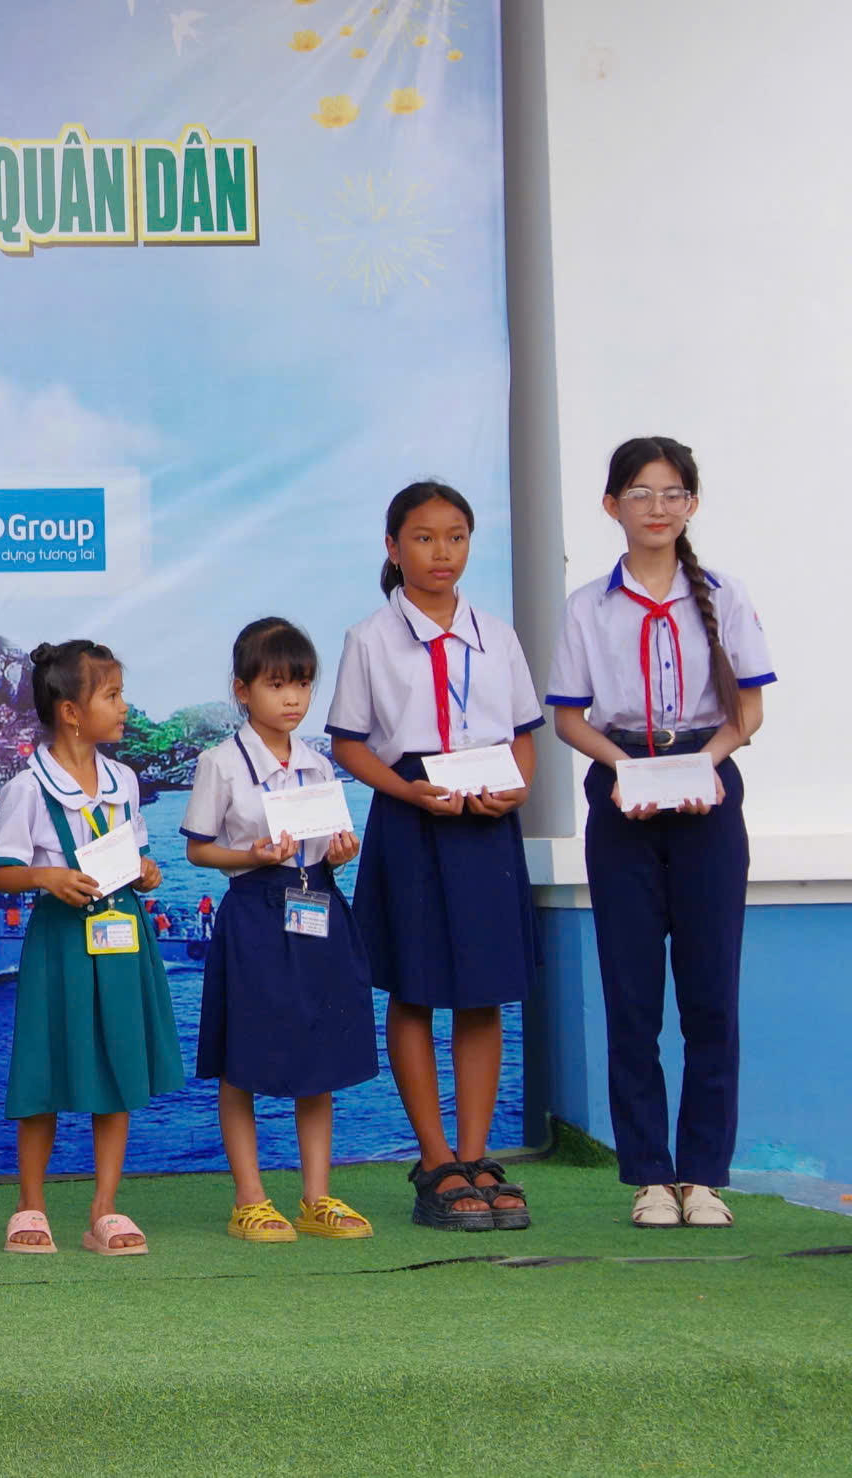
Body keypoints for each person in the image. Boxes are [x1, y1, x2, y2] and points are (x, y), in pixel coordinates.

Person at [546, 438, 773, 1230]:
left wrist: (703, 766)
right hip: (622, 798)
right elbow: (568, 718)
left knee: (711, 998)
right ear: (612, 505)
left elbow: (749, 712)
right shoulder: (587, 606)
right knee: (632, 997)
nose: (657, 507)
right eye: (640, 493)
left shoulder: (725, 595)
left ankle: (703, 1176)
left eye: (673, 492)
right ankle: (648, 1175)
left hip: (709, 791)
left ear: (692, 504)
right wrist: (624, 771)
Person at [327, 482, 542, 1233]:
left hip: (485, 816)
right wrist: (408, 792)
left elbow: (523, 734)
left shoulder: (498, 636)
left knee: (484, 992)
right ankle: (436, 1160)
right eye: (423, 538)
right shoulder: (369, 639)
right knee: (414, 987)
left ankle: (479, 1158)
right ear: (394, 548)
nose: (441, 552)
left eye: (455, 537)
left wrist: (516, 790)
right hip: (413, 811)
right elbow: (349, 743)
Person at [0, 641, 184, 1258]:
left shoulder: (125, 782)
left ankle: (105, 1207)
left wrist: (147, 873)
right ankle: (30, 1204)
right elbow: (0, 871)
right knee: (44, 1066)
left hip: (122, 934)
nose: (124, 707)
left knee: (119, 1061)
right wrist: (45, 877)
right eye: (112, 696)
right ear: (71, 712)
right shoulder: (27, 788)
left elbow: (135, 855)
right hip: (62, 941)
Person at [183, 618, 376, 1245]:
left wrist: (340, 852)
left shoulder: (319, 765)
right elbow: (198, 850)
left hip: (317, 905)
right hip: (255, 911)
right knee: (242, 1055)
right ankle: (250, 1199)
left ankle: (316, 1197)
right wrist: (253, 856)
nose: (292, 698)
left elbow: (326, 844)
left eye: (303, 684)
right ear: (242, 691)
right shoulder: (220, 764)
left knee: (320, 1052)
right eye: (276, 685)